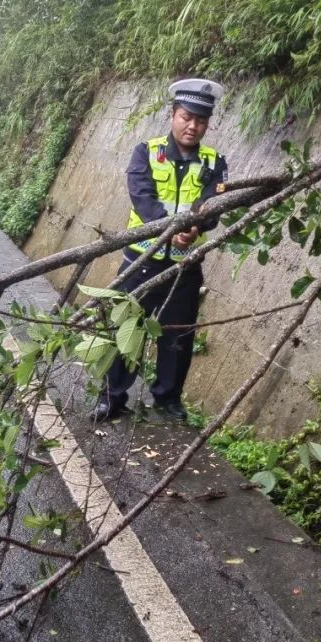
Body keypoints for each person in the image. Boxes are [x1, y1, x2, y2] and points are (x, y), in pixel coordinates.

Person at [91, 78, 229, 423]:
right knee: (128, 329)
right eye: (186, 117)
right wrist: (171, 231)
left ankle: (168, 401)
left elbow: (214, 204)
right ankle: (112, 397)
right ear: (173, 115)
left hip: (185, 266)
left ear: (207, 124)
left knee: (178, 336)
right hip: (141, 260)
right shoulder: (147, 152)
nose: (192, 126)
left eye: (200, 120)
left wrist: (195, 227)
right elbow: (142, 197)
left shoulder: (215, 161)